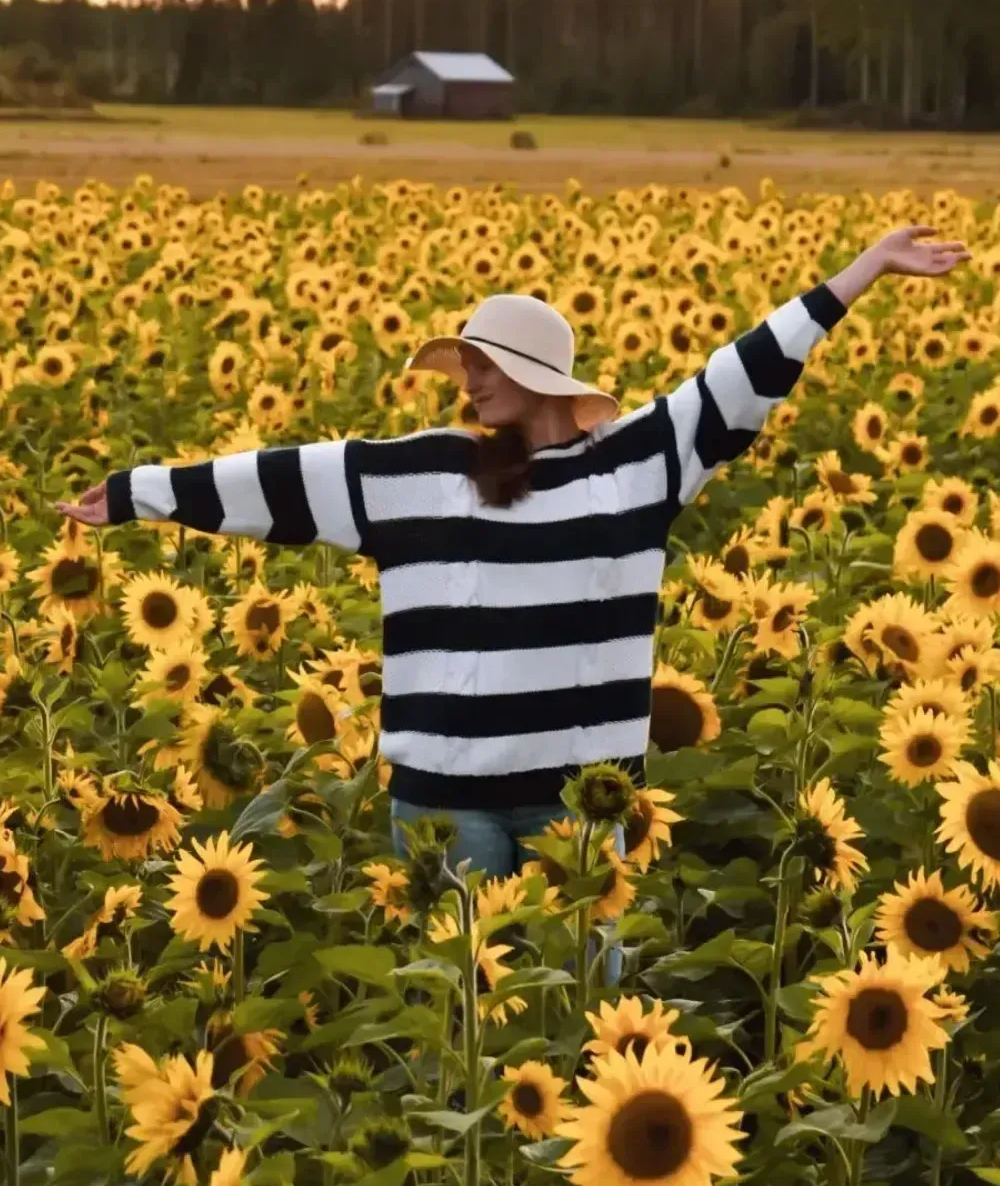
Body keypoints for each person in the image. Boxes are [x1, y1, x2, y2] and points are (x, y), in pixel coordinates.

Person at [59, 224, 969, 882]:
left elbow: (740, 379)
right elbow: (280, 482)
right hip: (444, 800)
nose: (470, 378)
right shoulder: (422, 474)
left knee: (575, 1015)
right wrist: (139, 493)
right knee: (467, 1017)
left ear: (540, 377)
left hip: (580, 801)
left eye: (484, 362)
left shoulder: (635, 467)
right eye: (466, 363)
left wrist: (863, 272)